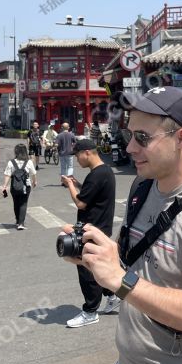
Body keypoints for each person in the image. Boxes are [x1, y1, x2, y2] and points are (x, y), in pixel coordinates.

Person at [62, 86, 182, 364]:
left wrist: (120, 280)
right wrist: (97, 256)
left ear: (181, 139)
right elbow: (134, 267)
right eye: (129, 135)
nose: (130, 148)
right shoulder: (142, 186)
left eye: (142, 138)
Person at [62, 138, 118, 327]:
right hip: (100, 228)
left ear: (87, 152)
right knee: (98, 266)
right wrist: (79, 184)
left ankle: (90, 311)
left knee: (86, 267)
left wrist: (69, 185)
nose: (77, 160)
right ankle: (112, 295)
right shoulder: (105, 171)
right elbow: (93, 196)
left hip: (91, 229)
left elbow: (81, 203)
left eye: (77, 155)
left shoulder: (96, 174)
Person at [2, 144, 37, 230]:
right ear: (25, 152)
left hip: (14, 186)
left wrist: (4, 186)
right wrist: (34, 181)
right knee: (23, 203)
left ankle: (18, 220)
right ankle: (21, 223)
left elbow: (7, 174)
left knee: (16, 202)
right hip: (26, 186)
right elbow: (33, 173)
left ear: (16, 152)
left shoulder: (11, 162)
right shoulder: (29, 162)